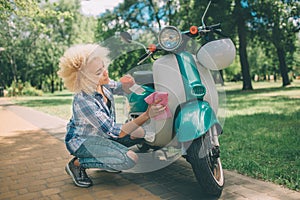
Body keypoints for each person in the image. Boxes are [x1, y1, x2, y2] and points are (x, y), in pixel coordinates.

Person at [58, 44, 165, 188]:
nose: (105, 73)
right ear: (85, 78)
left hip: (102, 136)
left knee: (139, 133)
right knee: (129, 159)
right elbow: (117, 132)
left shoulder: (103, 84)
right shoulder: (84, 100)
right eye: (98, 72)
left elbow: (121, 87)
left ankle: (108, 157)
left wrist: (129, 84)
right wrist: (147, 115)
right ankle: (76, 164)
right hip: (83, 142)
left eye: (103, 67)